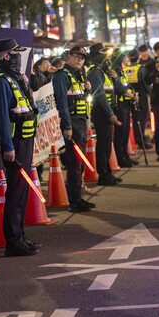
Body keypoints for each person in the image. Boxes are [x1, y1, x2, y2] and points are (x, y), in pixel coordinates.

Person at [0, 38, 39, 256]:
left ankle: (20, 236)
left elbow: (26, 108)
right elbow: (1, 117)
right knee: (16, 192)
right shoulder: (1, 82)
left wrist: (24, 84)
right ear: (7, 56)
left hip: (25, 141)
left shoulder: (15, 80)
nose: (20, 56)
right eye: (16, 52)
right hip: (15, 145)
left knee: (22, 192)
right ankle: (13, 241)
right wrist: (7, 146)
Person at [53, 46, 94, 212]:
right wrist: (67, 125)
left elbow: (80, 99)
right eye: (76, 56)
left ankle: (77, 197)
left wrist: (88, 89)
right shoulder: (62, 75)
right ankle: (74, 202)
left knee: (80, 163)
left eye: (82, 58)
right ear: (68, 57)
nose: (79, 60)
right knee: (74, 163)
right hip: (72, 123)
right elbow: (62, 102)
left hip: (81, 122)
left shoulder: (79, 75)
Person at [87, 44, 123, 186]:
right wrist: (110, 114)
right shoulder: (95, 72)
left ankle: (107, 173)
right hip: (101, 112)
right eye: (104, 52)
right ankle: (103, 176)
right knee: (103, 145)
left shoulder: (103, 71)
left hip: (107, 111)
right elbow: (100, 95)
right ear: (97, 54)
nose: (107, 55)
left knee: (107, 145)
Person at [111, 50, 138, 168]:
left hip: (126, 106)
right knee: (120, 134)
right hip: (120, 106)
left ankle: (125, 156)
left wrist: (133, 92)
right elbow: (119, 88)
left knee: (126, 133)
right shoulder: (114, 71)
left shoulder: (121, 70)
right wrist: (132, 95)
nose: (126, 60)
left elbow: (126, 84)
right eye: (124, 58)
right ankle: (120, 158)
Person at [124, 49, 152, 151]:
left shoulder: (125, 70)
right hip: (141, 97)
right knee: (142, 119)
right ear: (138, 57)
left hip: (130, 96)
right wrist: (151, 94)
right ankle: (141, 140)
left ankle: (138, 139)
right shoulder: (140, 69)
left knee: (135, 119)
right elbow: (146, 84)